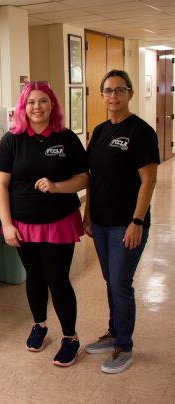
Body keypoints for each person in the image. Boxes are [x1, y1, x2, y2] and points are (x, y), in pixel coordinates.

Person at [0, 81, 88, 367]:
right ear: (23, 107)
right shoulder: (12, 140)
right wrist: (7, 225)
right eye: (31, 102)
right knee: (34, 277)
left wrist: (57, 186)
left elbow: (84, 179)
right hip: (23, 223)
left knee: (57, 279)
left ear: (52, 105)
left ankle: (70, 338)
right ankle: (40, 325)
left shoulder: (66, 138)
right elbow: (0, 184)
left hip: (59, 221)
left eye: (43, 101)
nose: (37, 107)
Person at [83, 70, 159, 374]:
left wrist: (137, 221)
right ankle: (113, 332)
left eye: (119, 90)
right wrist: (87, 214)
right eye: (108, 91)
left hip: (126, 224)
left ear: (129, 94)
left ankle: (124, 346)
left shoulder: (141, 132)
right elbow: (93, 178)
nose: (113, 96)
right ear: (102, 96)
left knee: (120, 283)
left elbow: (149, 179)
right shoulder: (99, 131)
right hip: (100, 222)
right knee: (110, 281)